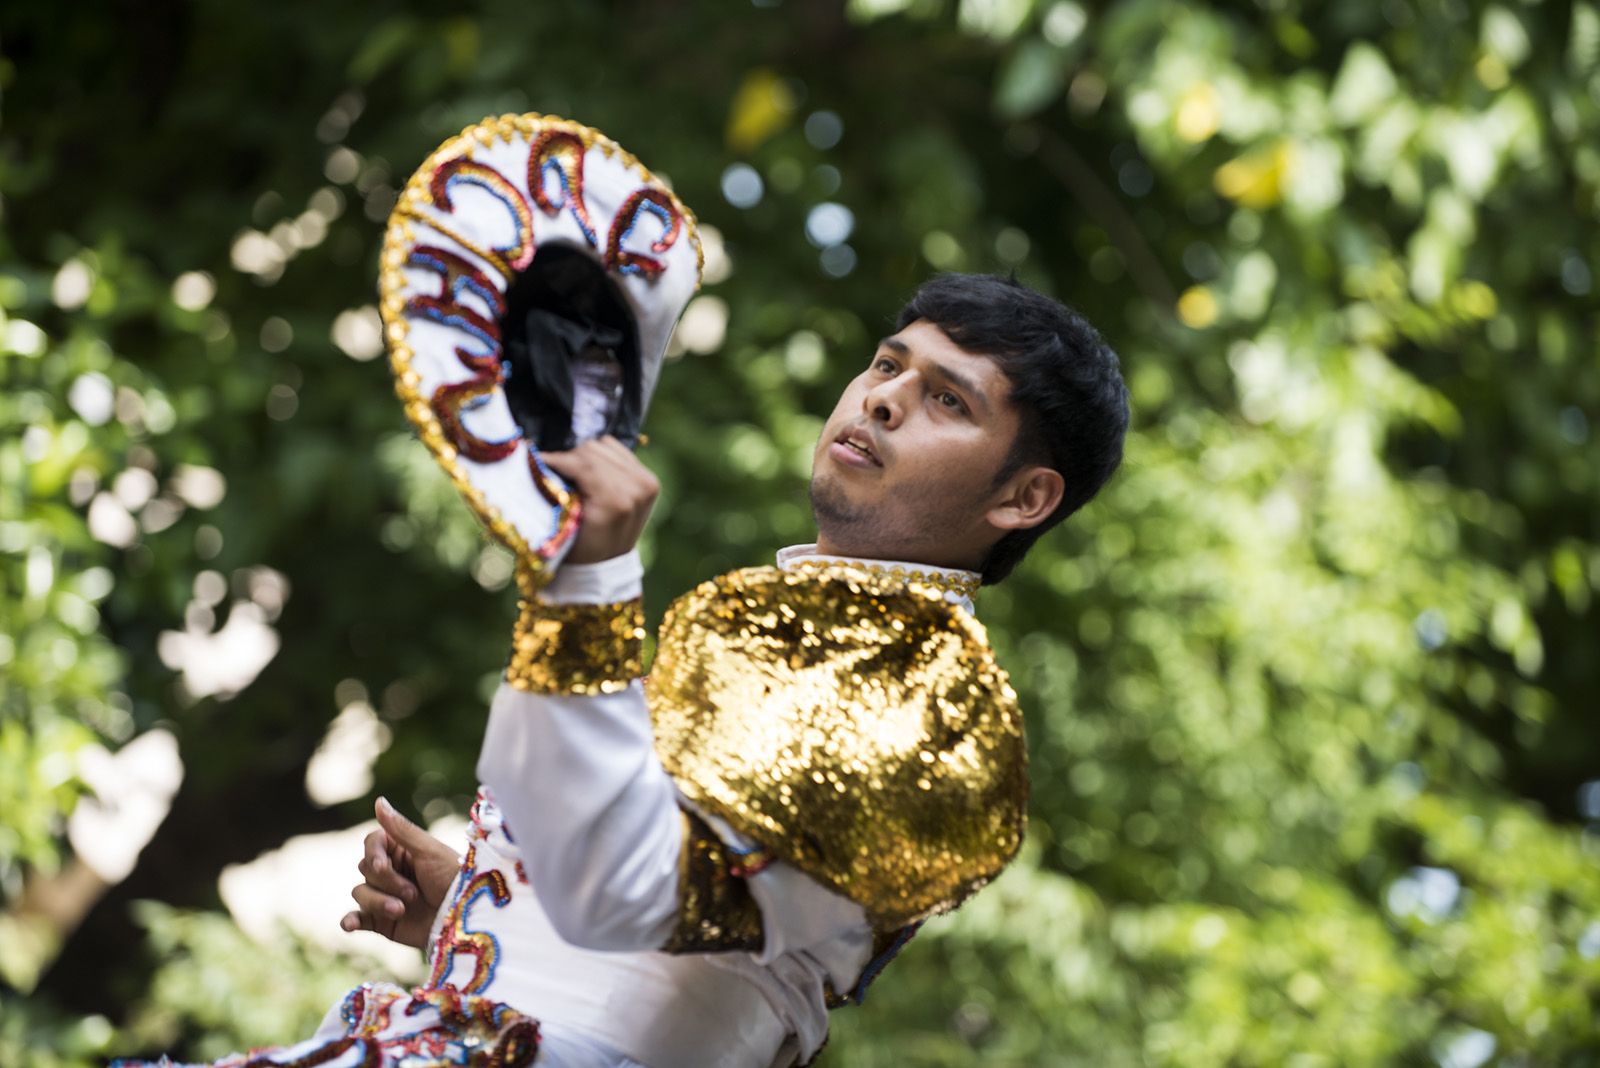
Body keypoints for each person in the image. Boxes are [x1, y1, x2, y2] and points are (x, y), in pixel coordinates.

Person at [115, 114, 1128, 1068]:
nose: (883, 397)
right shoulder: (786, 617)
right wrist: (476, 916)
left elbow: (630, 901)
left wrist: (589, 580)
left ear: (1025, 496)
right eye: (887, 363)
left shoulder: (936, 710)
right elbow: (658, 939)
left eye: (946, 399)